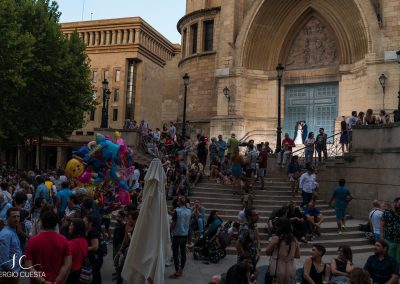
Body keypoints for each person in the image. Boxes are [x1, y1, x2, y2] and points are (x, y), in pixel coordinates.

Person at [25, 211, 72, 284]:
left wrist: (43, 281)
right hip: (56, 280)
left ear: (42, 223)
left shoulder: (32, 241)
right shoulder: (64, 240)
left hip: (37, 281)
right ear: (56, 224)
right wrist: (57, 281)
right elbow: (67, 264)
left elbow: (28, 266)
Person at [265, 219, 300, 283]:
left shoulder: (276, 238)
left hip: (277, 269)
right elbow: (297, 255)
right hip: (291, 269)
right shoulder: (295, 240)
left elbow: (267, 252)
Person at [170, 196, 191, 279]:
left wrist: (170, 230)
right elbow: (189, 223)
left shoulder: (177, 211)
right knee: (183, 253)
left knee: (175, 253)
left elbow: (173, 223)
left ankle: (177, 271)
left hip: (177, 234)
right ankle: (181, 269)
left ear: (179, 202)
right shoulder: (189, 211)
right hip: (184, 234)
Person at [0, 208, 22, 284]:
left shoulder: (12, 231)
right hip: (8, 275)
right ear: (7, 218)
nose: (16, 219)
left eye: (18, 216)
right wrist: (12, 275)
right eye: (14, 217)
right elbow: (3, 260)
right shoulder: (6, 234)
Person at [66, 218, 88, 284]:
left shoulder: (71, 244)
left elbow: (68, 264)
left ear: (76, 228)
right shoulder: (84, 240)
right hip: (80, 270)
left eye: (71, 225)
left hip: (72, 272)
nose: (69, 227)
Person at [380, 197, 400, 264]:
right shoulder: (387, 213)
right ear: (394, 203)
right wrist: (382, 237)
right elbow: (382, 225)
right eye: (399, 204)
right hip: (389, 240)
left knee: (398, 260)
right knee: (389, 259)